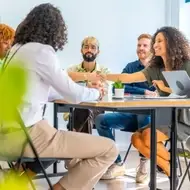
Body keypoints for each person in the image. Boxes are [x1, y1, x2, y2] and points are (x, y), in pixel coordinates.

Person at [0, 3, 118, 190]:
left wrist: (83, 87)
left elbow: (45, 90)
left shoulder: (15, 51)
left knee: (74, 149)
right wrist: (96, 91)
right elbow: (73, 95)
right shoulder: (42, 51)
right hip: (27, 138)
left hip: (5, 138)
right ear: (54, 30)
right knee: (109, 149)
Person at [103, 26, 190, 185]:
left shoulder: (186, 64)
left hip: (185, 120)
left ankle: (170, 168)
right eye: (154, 41)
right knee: (136, 138)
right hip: (166, 118)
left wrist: (165, 89)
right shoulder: (155, 68)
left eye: (159, 41)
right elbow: (128, 78)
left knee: (148, 138)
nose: (155, 45)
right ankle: (170, 168)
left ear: (171, 42)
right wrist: (103, 75)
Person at [95, 34, 156, 182]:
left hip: (152, 119)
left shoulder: (158, 69)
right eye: (139, 45)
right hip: (130, 116)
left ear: (152, 49)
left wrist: (134, 89)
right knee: (100, 119)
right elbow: (119, 85)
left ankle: (144, 163)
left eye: (144, 45)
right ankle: (117, 163)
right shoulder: (131, 67)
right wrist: (144, 91)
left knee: (143, 115)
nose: (141, 48)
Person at [64, 36, 109, 133]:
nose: (89, 50)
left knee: (86, 110)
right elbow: (66, 87)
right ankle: (83, 144)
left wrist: (80, 85)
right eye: (86, 47)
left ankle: (74, 131)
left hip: (97, 109)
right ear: (81, 50)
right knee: (84, 110)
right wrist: (88, 84)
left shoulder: (104, 71)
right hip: (73, 108)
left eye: (93, 47)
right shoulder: (72, 70)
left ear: (98, 51)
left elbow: (104, 91)